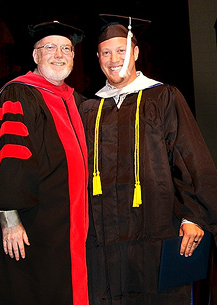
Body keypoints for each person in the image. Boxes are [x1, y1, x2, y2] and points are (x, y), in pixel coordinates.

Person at [79, 14, 217, 305]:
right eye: (106, 52)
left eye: (122, 50)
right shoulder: (88, 109)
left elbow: (191, 158)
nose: (114, 58)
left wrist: (193, 216)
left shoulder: (163, 97)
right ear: (98, 57)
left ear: (136, 53)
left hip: (156, 229)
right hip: (102, 239)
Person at [0, 20, 89, 305]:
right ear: (35, 55)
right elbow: (5, 155)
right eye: (49, 47)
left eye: (66, 48)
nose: (59, 54)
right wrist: (9, 218)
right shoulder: (18, 94)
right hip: (32, 226)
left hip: (70, 226)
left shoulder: (78, 102)